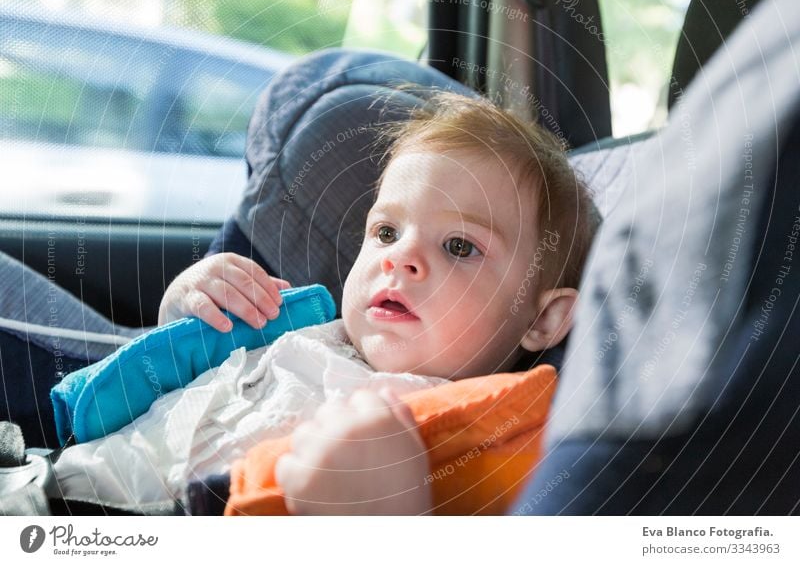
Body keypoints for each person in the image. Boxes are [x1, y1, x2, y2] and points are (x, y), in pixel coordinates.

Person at [53, 91, 599, 509]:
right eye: (386, 232)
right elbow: (165, 385)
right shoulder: (286, 324)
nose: (398, 258)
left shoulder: (476, 444)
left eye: (460, 246)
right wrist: (185, 312)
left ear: (543, 317)